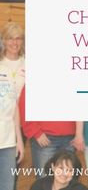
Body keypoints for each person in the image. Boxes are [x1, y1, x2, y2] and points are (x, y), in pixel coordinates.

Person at [19, 86, 78, 178]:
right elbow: (24, 105)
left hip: (70, 139)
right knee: (45, 179)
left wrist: (78, 133)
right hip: (45, 140)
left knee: (67, 180)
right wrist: (35, 132)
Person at [0, 22, 25, 190]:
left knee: (10, 177)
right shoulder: (1, 65)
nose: (14, 43)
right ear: (3, 40)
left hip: (22, 125)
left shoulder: (29, 63)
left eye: (18, 39)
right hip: (8, 124)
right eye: (10, 38)